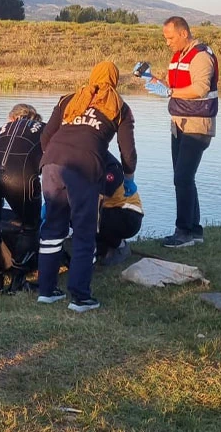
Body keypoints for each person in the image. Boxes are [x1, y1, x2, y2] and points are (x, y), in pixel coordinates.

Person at [38, 61, 137, 313]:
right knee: (84, 232)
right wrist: (128, 177)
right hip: (84, 167)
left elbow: (46, 137)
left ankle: (46, 291)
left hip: (51, 162)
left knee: (52, 228)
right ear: (114, 81)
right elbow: (128, 153)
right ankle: (80, 297)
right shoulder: (119, 107)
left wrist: (53, 161)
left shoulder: (69, 99)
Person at [140, 16, 218, 248]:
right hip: (179, 123)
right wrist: (155, 81)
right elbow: (174, 86)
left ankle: (183, 232)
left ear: (184, 33)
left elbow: (200, 88)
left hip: (197, 125)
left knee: (182, 177)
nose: (167, 42)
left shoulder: (201, 56)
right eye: (165, 38)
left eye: (170, 37)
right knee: (185, 178)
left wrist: (169, 91)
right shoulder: (179, 56)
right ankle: (194, 231)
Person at [0, 104, 44, 295]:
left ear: (11, 118)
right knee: (30, 226)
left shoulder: (0, 130)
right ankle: (18, 282)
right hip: (20, 176)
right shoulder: (43, 129)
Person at [97, 151, 144, 266]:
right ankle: (103, 249)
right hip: (110, 209)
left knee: (87, 216)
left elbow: (97, 200)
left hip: (129, 214)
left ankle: (120, 246)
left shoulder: (110, 167)